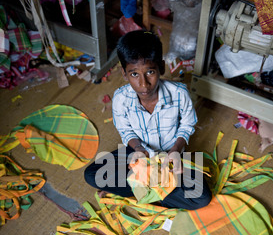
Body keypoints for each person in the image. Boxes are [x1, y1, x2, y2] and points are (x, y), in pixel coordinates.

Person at [84, 30, 211, 210]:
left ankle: (145, 190)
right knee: (92, 174)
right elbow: (125, 130)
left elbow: (187, 124)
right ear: (124, 73)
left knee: (202, 197)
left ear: (162, 67)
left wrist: (176, 149)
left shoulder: (179, 93)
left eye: (150, 72)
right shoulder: (121, 98)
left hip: (170, 155)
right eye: (134, 74)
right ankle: (159, 191)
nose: (144, 84)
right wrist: (138, 149)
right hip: (138, 152)